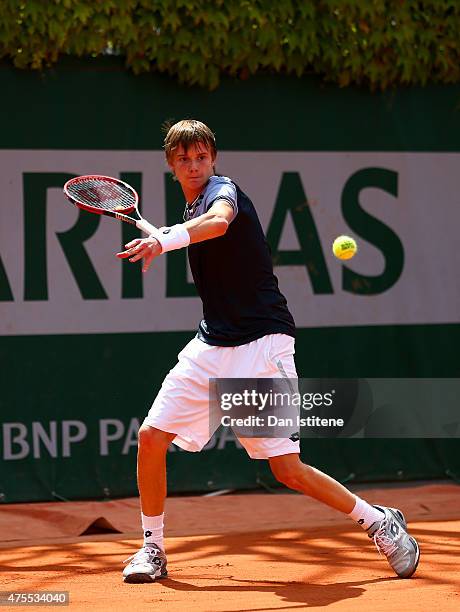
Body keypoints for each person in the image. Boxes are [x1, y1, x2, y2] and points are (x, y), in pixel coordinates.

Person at [116, 119, 420, 583]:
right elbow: (201, 227)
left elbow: (218, 222)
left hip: (262, 345)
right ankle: (152, 548)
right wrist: (170, 236)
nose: (194, 164)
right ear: (171, 165)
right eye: (184, 158)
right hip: (211, 343)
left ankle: (380, 522)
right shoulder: (193, 204)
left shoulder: (223, 191)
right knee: (152, 438)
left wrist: (166, 237)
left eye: (201, 156)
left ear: (213, 159)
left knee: (287, 469)